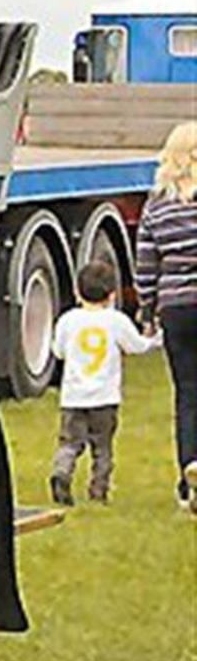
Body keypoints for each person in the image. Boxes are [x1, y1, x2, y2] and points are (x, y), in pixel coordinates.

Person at [49, 258, 157, 506]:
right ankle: (99, 491)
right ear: (111, 294)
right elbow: (137, 346)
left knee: (69, 442)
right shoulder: (116, 320)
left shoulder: (68, 320)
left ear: (77, 291)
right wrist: (155, 338)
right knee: (102, 447)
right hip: (105, 398)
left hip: (73, 397)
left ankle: (62, 471)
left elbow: (58, 352)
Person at [136, 119, 197, 513]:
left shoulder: (156, 204)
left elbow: (145, 264)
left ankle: (188, 478)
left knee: (188, 394)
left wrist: (147, 308)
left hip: (175, 307)